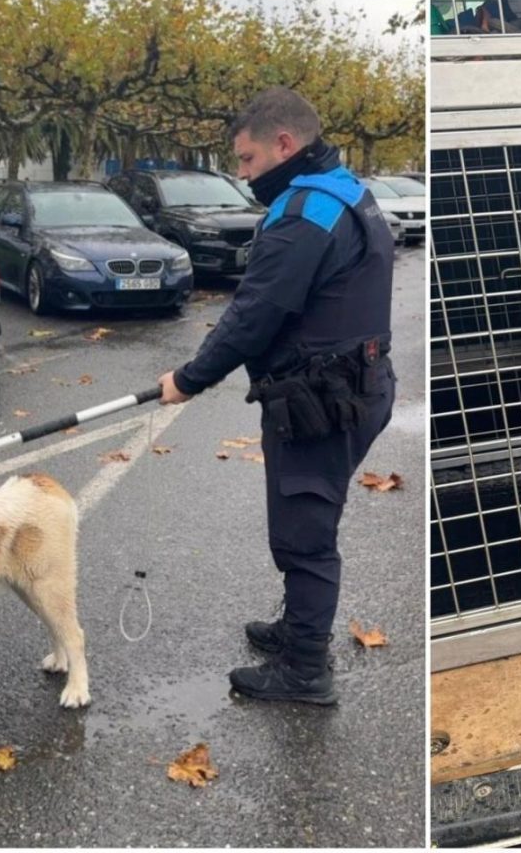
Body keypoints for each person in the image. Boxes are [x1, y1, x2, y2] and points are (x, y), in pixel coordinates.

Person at [157, 87, 396, 705]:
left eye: (246, 159)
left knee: (303, 537)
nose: (242, 174)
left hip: (321, 403)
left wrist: (189, 378)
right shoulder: (345, 189)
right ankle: (298, 630)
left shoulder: (305, 212)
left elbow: (255, 311)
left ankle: (304, 671)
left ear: (284, 144)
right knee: (307, 523)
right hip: (353, 388)